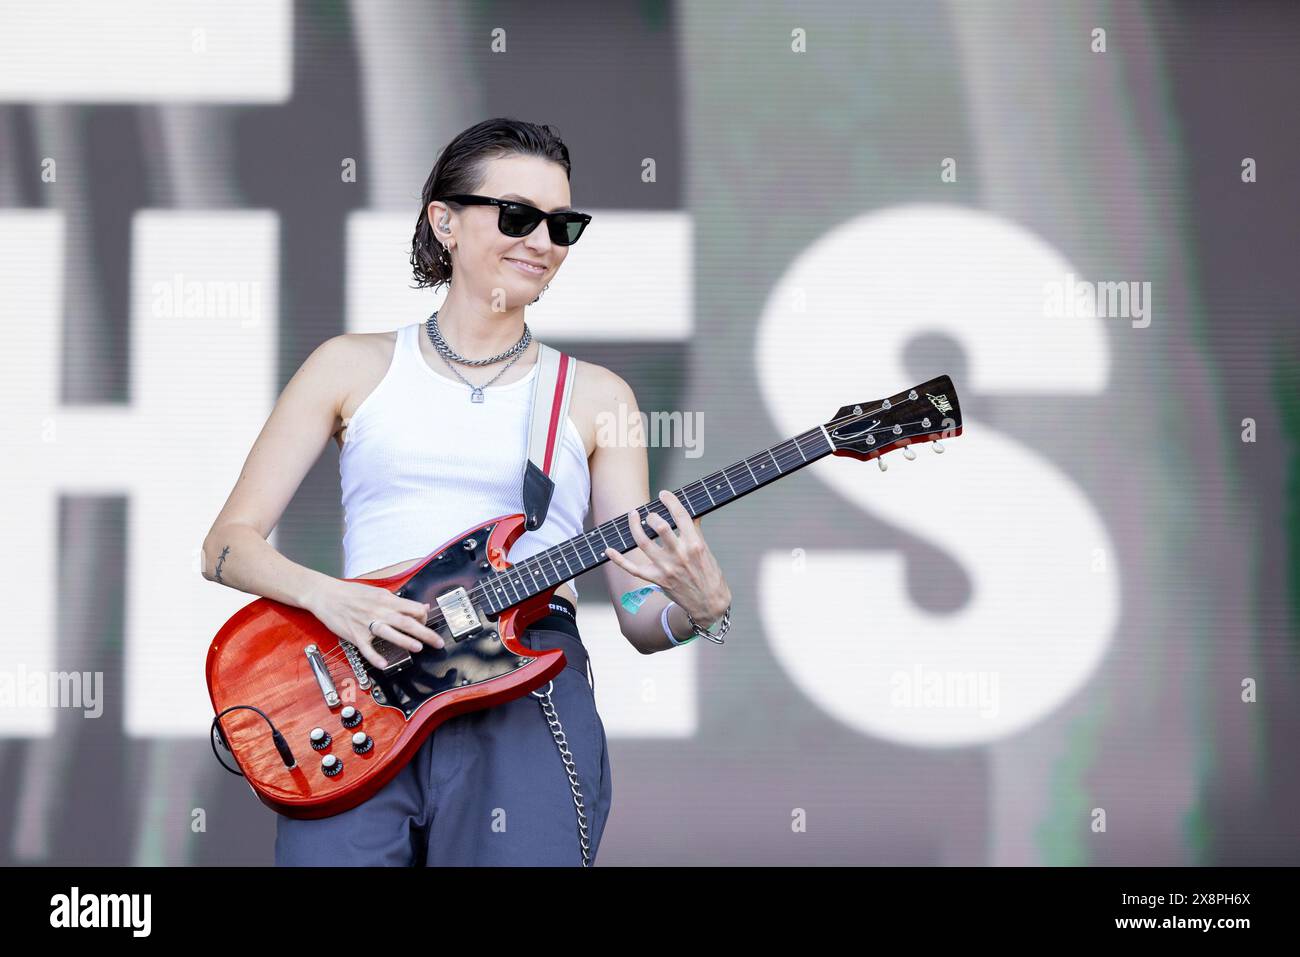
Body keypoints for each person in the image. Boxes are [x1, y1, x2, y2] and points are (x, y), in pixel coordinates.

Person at [201, 117, 733, 866]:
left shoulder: (594, 395)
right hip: (364, 676)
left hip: (527, 688)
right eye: (516, 216)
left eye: (563, 224)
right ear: (443, 222)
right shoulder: (350, 364)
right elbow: (226, 545)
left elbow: (639, 612)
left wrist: (699, 611)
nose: (542, 241)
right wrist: (334, 598)